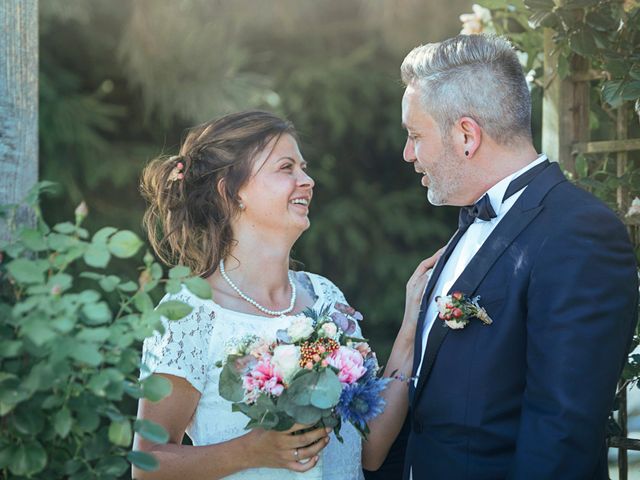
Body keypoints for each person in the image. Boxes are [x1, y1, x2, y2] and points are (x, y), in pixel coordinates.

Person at [372, 34, 637, 479]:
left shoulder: (578, 235)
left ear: (466, 135)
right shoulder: (470, 223)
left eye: (415, 136)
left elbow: (561, 436)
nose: (408, 154)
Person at [134, 110, 440, 480]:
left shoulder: (324, 295)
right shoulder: (189, 312)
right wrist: (251, 451)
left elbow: (371, 449)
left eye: (303, 167)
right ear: (231, 191)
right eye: (286, 168)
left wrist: (412, 324)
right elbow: (147, 466)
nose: (307, 180)